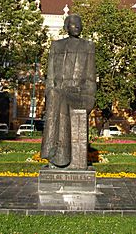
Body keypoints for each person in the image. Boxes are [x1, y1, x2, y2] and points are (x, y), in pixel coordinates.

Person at [40, 14, 96, 168]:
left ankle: (58, 153)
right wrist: (50, 92)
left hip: (82, 96)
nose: (76, 26)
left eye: (79, 23)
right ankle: (55, 152)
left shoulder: (88, 46)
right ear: (66, 27)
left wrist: (76, 88)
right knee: (55, 93)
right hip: (58, 96)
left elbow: (91, 83)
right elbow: (50, 78)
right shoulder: (56, 46)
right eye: (73, 24)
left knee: (59, 96)